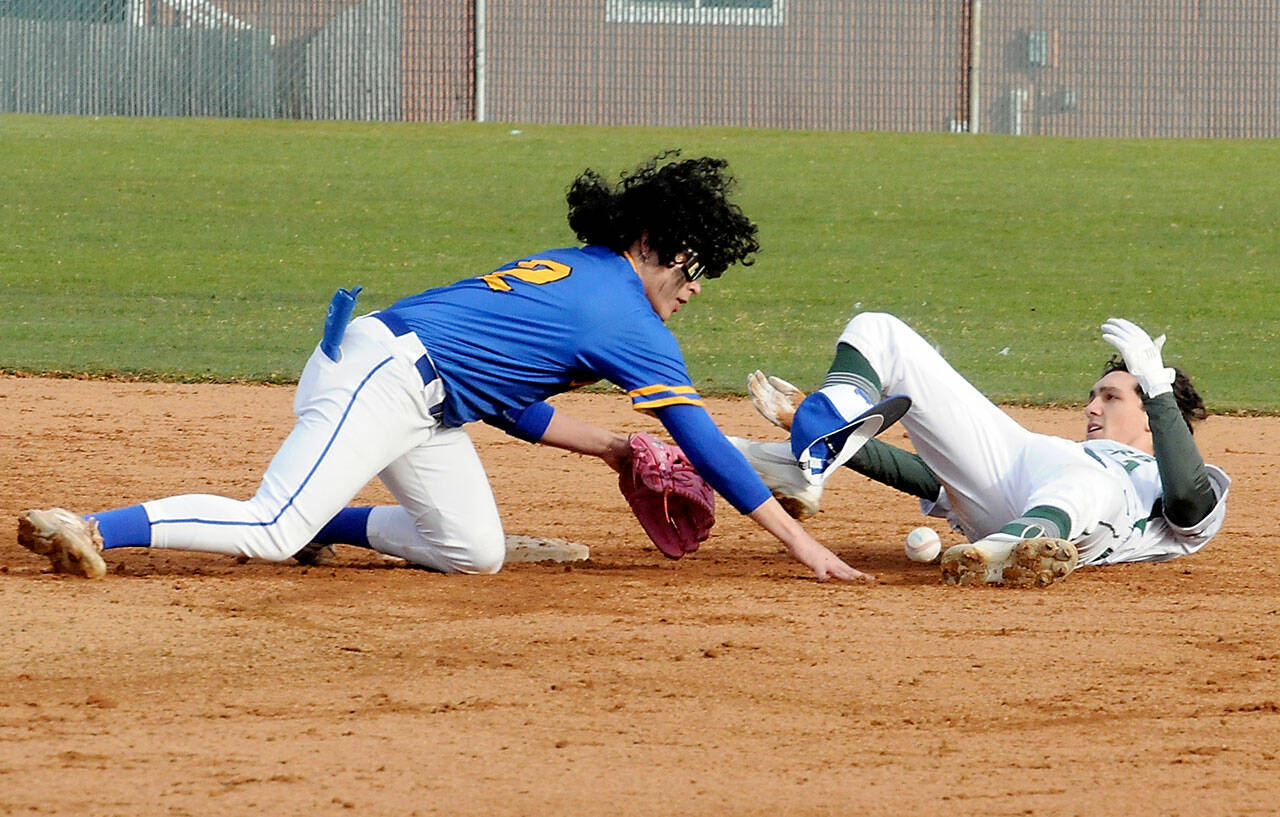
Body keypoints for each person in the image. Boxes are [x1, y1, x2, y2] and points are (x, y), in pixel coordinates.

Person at [18, 152, 890, 583]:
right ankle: (92, 525)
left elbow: (502, 401)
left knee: (472, 551)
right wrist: (802, 541)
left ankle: (334, 521)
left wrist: (614, 451)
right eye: (692, 269)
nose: (694, 290)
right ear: (653, 247)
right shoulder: (628, 317)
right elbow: (708, 448)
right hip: (381, 376)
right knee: (271, 526)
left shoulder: (585, 273)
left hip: (413, 392)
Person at [730, 313, 1230, 587]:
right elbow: (931, 477)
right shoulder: (1057, 448)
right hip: (1027, 468)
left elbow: (1188, 503)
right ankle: (823, 431)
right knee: (879, 329)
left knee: (1090, 482)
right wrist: (822, 436)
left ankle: (1013, 546)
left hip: (1082, 514)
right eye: (1093, 395)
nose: (1092, 407)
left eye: (1112, 396)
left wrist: (1159, 390)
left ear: (1152, 417)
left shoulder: (1165, 479)